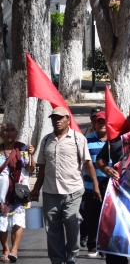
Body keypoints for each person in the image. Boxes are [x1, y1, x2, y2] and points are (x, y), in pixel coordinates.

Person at [31, 107, 101, 264]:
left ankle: (72, 252)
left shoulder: (78, 138)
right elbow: (42, 167)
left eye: (60, 118)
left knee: (72, 222)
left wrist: (95, 185)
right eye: (54, 118)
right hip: (50, 192)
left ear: (68, 120)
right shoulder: (46, 140)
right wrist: (36, 189)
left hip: (73, 191)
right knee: (52, 229)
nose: (57, 121)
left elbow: (88, 164)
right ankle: (58, 260)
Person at [95, 105, 130, 264]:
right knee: (117, 243)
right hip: (120, 199)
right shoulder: (117, 140)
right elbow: (100, 159)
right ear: (129, 120)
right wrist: (106, 169)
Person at [0, 123, 35, 263]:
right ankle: (5, 249)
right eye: (6, 130)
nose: (9, 133)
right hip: (1, 192)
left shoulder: (22, 148)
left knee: (17, 221)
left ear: (17, 132)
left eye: (12, 130)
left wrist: (31, 155)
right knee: (2, 221)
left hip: (19, 192)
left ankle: (14, 249)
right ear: (1, 133)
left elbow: (31, 169)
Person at [81, 112, 107, 258]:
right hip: (91, 186)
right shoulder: (87, 140)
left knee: (107, 217)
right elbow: (84, 162)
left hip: (110, 186)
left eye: (104, 122)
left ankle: (104, 246)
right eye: (99, 122)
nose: (102, 124)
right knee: (91, 217)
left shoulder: (115, 139)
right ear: (94, 124)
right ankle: (92, 245)